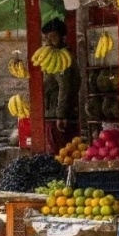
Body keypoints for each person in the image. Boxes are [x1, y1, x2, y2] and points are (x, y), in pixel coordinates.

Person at [41, 18, 80, 155]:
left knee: (60, 154)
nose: (49, 41)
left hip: (58, 116)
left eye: (53, 37)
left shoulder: (62, 58)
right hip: (55, 113)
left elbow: (65, 87)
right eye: (47, 38)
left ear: (62, 38)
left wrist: (61, 115)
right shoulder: (54, 58)